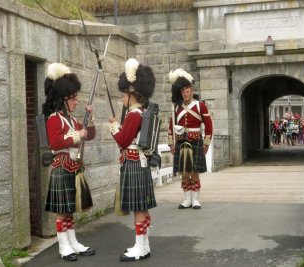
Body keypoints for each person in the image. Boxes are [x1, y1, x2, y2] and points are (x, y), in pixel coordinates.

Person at [43, 63, 96, 261]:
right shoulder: (54, 119)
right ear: (63, 99)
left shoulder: (73, 121)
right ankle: (63, 245)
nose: (76, 101)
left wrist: (89, 119)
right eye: (72, 98)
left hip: (73, 167)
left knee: (69, 210)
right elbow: (55, 142)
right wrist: (76, 136)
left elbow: (89, 135)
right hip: (62, 165)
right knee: (62, 211)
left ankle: (73, 242)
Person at [108, 58, 157, 261]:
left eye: (124, 94)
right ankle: (144, 245)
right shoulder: (142, 112)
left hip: (133, 163)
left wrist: (114, 126)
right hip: (141, 162)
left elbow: (123, 140)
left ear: (131, 95)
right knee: (142, 207)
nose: (121, 98)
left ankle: (139, 246)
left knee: (138, 208)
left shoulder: (133, 115)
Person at [168, 69, 213, 210]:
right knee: (184, 172)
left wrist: (206, 144)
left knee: (194, 172)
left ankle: (195, 200)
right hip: (181, 142)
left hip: (195, 141)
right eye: (183, 92)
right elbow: (171, 127)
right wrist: (171, 144)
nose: (185, 94)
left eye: (187, 91)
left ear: (191, 90)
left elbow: (209, 126)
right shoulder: (176, 107)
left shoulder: (200, 106)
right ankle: (187, 199)